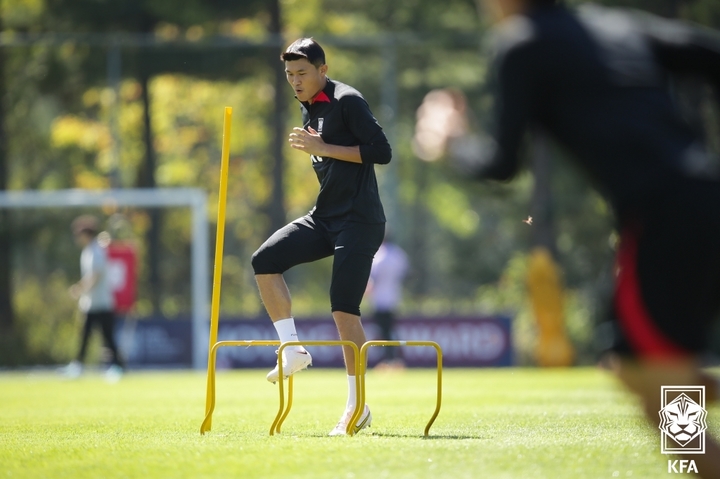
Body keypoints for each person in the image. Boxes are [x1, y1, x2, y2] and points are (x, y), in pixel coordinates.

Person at [452, 0, 720, 476]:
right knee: (639, 366)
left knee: (651, 381)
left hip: (665, 216)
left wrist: (450, 139)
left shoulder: (522, 44)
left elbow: (501, 164)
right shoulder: (613, 24)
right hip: (703, 197)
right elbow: (708, 53)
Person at [251, 38, 392, 436]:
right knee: (265, 260)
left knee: (343, 308)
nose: (295, 81)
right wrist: (323, 147)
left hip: (360, 221)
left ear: (322, 70)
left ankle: (357, 405)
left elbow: (382, 152)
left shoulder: (348, 100)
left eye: (302, 73)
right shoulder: (308, 105)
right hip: (325, 216)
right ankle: (292, 350)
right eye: (289, 75)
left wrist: (322, 147)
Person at [63, 215, 124, 382]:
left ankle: (117, 367)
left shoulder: (96, 251)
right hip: (90, 304)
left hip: (102, 303)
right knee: (85, 336)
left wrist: (79, 289)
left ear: (86, 234)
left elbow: (95, 276)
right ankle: (78, 366)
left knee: (108, 338)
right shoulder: (88, 251)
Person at [367, 236, 409, 369]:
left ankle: (390, 360)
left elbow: (373, 278)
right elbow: (405, 273)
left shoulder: (378, 256)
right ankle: (393, 359)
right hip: (394, 298)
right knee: (390, 329)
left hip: (379, 299)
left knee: (384, 331)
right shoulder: (399, 254)